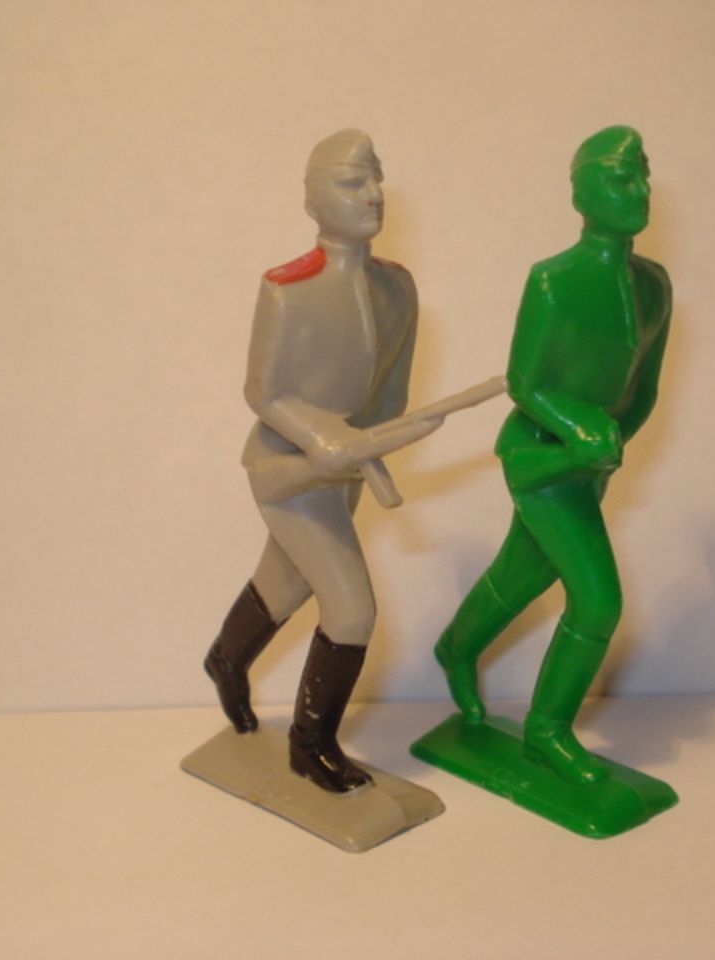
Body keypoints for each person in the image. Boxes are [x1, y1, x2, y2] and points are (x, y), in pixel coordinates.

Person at [432, 126, 672, 786]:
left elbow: (645, 387)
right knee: (597, 602)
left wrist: (611, 444)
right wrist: (581, 430)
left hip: (590, 467)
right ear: (580, 194)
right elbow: (525, 382)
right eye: (620, 178)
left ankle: (455, 647)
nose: (639, 190)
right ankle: (547, 730)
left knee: (524, 573)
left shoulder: (655, 285)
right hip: (540, 459)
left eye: (644, 174)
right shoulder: (553, 281)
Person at [203, 129, 432, 794]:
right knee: (351, 608)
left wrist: (380, 441)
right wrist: (322, 438)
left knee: (287, 583)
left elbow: (390, 392)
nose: (374, 194)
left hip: (347, 471)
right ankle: (311, 744)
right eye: (352, 182)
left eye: (376, 178)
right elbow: (264, 393)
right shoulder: (288, 289)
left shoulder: (399, 288)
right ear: (313, 202)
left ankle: (225, 660)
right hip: (289, 470)